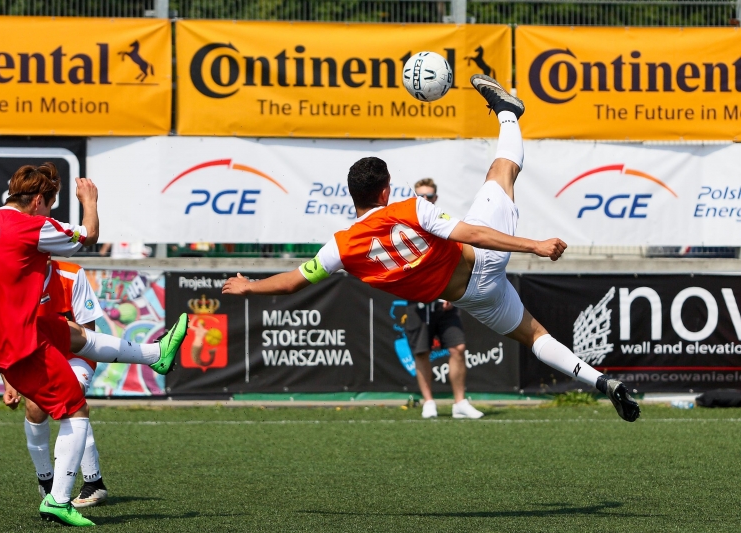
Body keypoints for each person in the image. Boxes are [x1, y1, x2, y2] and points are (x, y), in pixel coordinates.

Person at [223, 75, 640, 423]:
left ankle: (602, 383)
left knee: (534, 336)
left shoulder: (340, 248)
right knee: (502, 169)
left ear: (353, 196)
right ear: (385, 191)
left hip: (473, 298)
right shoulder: (410, 208)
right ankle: (508, 111)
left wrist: (250, 287)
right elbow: (474, 234)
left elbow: (292, 282)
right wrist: (535, 245)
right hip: (485, 260)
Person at [0, 162, 188, 527]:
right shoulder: (33, 225)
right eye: (50, 205)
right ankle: (58, 500)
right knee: (75, 409)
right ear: (38, 200)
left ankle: (155, 354)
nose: (48, 212)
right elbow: (88, 235)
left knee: (70, 333)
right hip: (14, 339)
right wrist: (90, 200)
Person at [2, 260, 109, 508]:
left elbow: (88, 336)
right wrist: (9, 381)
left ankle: (94, 482)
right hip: (38, 359)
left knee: (70, 400)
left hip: (77, 356)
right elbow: (7, 339)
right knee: (34, 408)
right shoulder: (11, 280)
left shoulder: (72, 275)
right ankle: (46, 481)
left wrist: (60, 371)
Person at [408, 178, 480, 419]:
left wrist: (450, 290)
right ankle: (429, 402)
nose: (424, 200)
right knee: (421, 352)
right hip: (418, 300)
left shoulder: (442, 222)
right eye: (420, 196)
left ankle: (459, 402)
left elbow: (456, 257)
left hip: (445, 300)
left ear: (435, 198)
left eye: (429, 196)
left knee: (458, 348)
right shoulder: (407, 226)